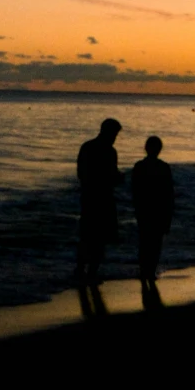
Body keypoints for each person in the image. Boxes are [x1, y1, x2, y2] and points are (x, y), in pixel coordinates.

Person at [74, 118, 125, 282]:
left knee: (88, 236)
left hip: (90, 197)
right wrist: (117, 178)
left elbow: (81, 173)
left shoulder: (88, 147)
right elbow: (111, 175)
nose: (115, 137)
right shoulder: (109, 152)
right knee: (98, 238)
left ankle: (83, 270)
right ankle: (90, 273)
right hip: (101, 198)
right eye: (114, 134)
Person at [129, 135, 175, 287]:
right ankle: (150, 271)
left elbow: (135, 191)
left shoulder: (139, 166)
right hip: (159, 210)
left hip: (144, 210)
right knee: (155, 243)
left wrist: (137, 209)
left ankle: (144, 271)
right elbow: (169, 194)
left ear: (146, 148)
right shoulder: (164, 167)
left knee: (145, 242)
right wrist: (168, 215)